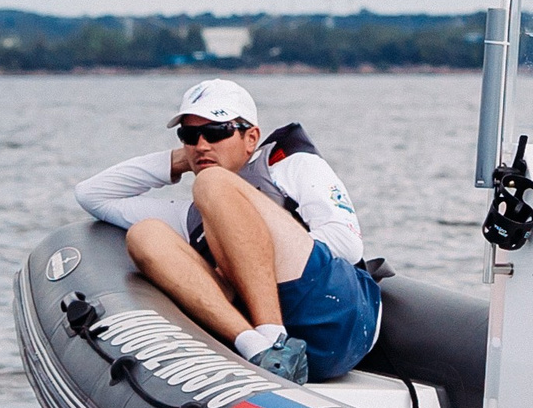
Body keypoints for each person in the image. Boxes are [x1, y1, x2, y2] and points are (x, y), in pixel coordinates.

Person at [73, 78, 381, 384]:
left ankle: (274, 337)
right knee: (145, 235)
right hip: (272, 344)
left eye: (216, 132)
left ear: (251, 138)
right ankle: (258, 347)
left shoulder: (291, 165)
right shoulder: (189, 216)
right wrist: (179, 161)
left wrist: (255, 251)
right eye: (189, 135)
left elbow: (348, 244)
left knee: (212, 182)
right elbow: (92, 195)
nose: (202, 145)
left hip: (335, 313)